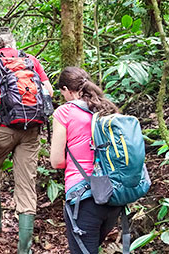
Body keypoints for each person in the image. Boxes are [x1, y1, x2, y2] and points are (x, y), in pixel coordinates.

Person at [0, 27, 53, 254]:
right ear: (13, 43)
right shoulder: (31, 61)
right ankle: (24, 249)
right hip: (32, 130)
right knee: (26, 185)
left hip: (2, 129)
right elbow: (49, 91)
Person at [50, 67, 122, 254]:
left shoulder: (64, 112)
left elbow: (56, 161)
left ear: (66, 89)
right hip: (114, 195)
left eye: (62, 92)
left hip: (84, 197)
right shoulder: (106, 108)